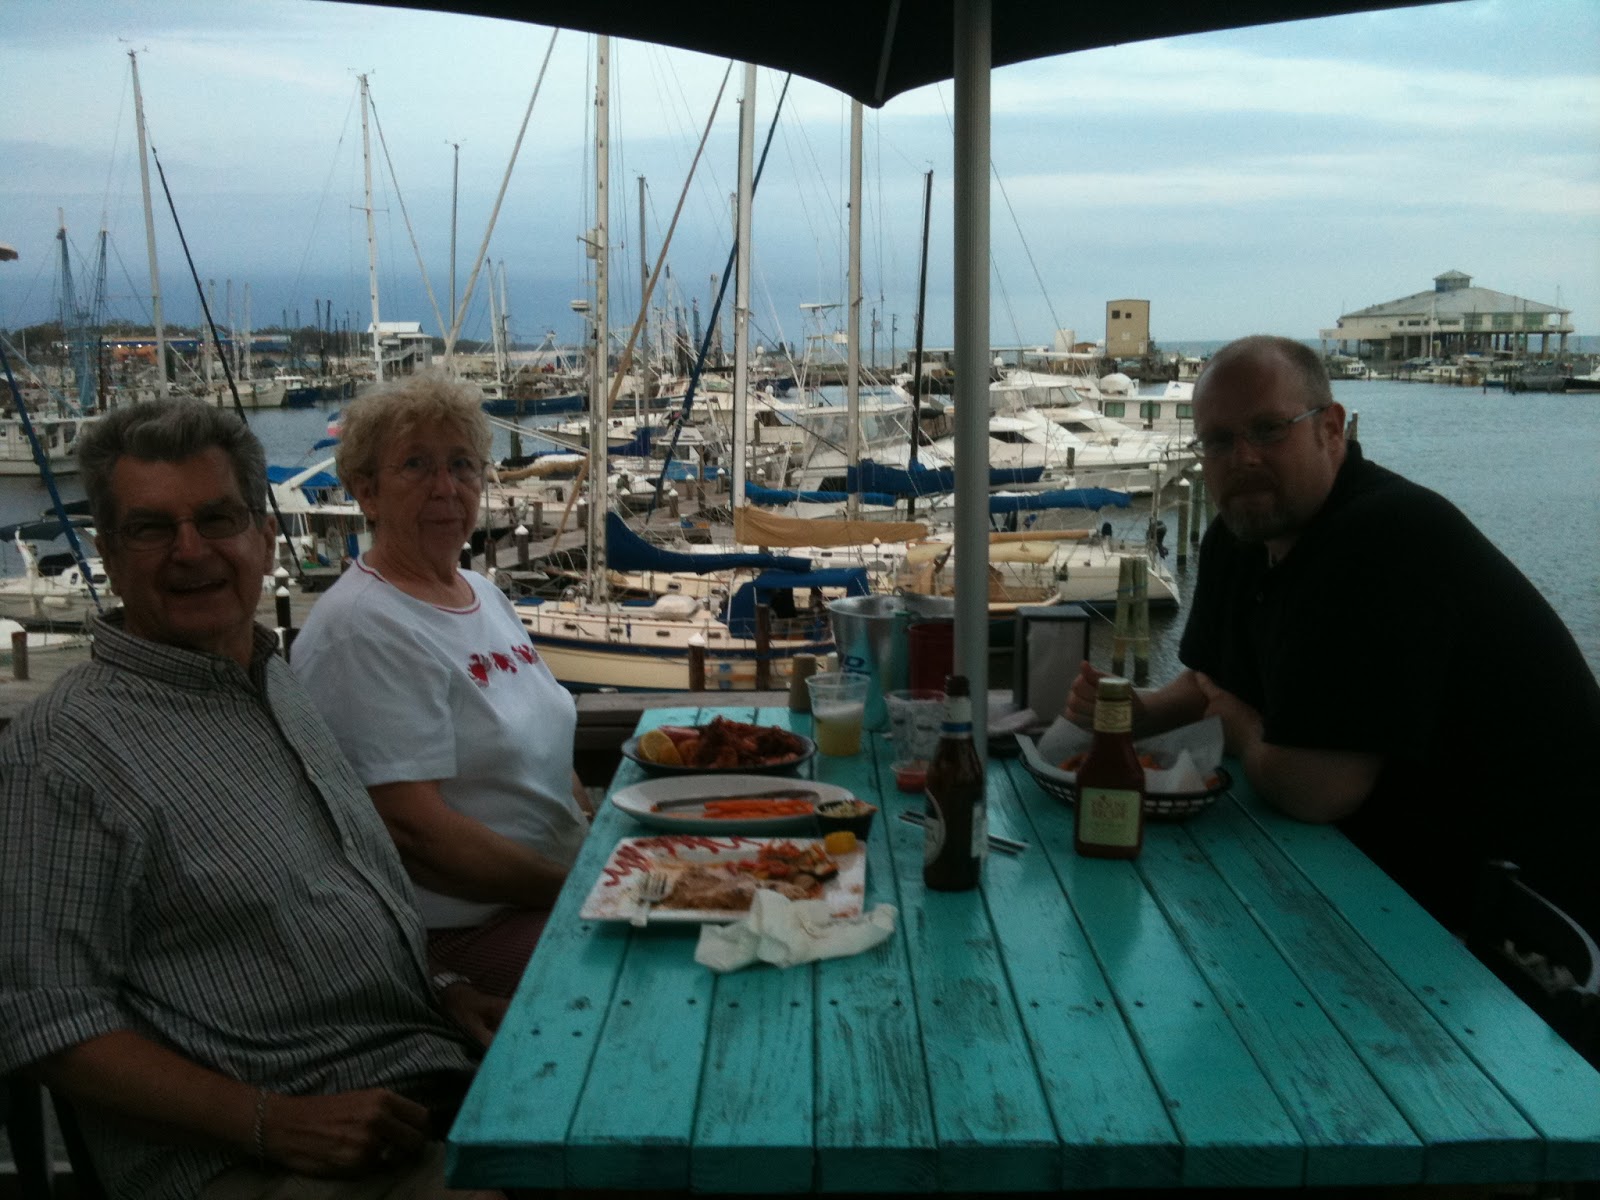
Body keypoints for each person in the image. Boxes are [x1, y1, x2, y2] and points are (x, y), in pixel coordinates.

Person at [0, 398, 505, 1200]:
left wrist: (447, 992)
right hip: (262, 1155)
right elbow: (47, 1023)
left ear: (264, 538)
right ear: (107, 551)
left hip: (417, 1073)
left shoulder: (273, 681)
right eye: (151, 528)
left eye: (217, 518)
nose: (191, 551)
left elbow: (344, 899)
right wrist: (270, 1120)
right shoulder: (66, 753)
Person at [1067, 335, 1600, 934]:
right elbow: (1213, 682)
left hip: (1530, 915)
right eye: (1218, 440)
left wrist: (1239, 726)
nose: (1241, 458)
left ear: (1331, 429)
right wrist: (1135, 714)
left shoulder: (1387, 538)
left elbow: (1316, 789)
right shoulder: (1242, 532)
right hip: (1389, 872)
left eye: (1268, 429)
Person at [293, 372, 591, 999]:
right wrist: (582, 887)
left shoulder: (480, 592)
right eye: (417, 466)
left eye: (462, 465)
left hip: (548, 890)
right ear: (366, 492)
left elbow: (543, 744)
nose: (446, 488)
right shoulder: (362, 628)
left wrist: (594, 844)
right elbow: (415, 835)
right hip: (463, 936)